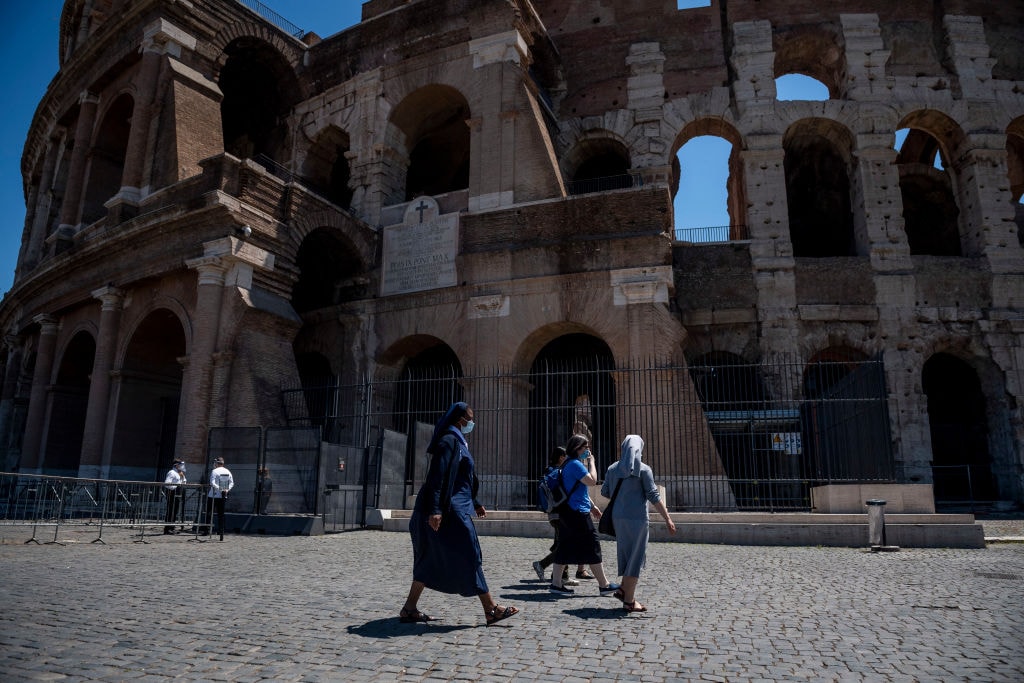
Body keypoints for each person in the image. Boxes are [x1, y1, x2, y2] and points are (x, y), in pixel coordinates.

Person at [399, 401, 519, 626]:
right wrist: (435, 510)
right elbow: (438, 477)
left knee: (430, 558)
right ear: (460, 419)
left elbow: (461, 479)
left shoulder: (459, 442)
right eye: (470, 418)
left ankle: (409, 608)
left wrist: (475, 502)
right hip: (448, 510)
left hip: (458, 506)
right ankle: (491, 609)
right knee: (470, 554)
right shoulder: (449, 441)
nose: (472, 422)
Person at [601, 434, 677, 613]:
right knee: (636, 558)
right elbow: (654, 496)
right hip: (638, 520)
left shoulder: (613, 468)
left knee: (627, 554)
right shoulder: (644, 470)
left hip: (618, 518)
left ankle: (624, 590)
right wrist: (668, 518)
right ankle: (628, 601)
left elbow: (605, 492)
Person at [548, 433, 620, 598]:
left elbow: (578, 490)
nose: (588, 449)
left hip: (568, 511)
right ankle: (604, 585)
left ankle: (556, 584)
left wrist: (593, 506)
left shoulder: (567, 464)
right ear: (577, 448)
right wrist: (592, 463)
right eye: (585, 446)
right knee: (592, 545)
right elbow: (592, 481)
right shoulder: (576, 464)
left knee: (564, 546)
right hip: (578, 513)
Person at [204, 457, 234, 539]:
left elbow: (212, 483)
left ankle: (207, 530)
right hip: (223, 495)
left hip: (213, 495)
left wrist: (220, 488)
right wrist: (226, 489)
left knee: (209, 512)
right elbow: (232, 483)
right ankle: (221, 531)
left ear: (217, 463)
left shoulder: (215, 471)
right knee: (221, 514)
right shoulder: (227, 471)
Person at [163, 459, 186, 534]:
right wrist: (175, 487)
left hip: (177, 494)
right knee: (170, 511)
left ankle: (172, 527)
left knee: (175, 511)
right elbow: (167, 483)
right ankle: (167, 528)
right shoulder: (172, 472)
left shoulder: (179, 473)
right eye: (180, 465)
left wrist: (182, 477)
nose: (182, 466)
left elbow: (184, 482)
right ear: (176, 465)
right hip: (172, 493)